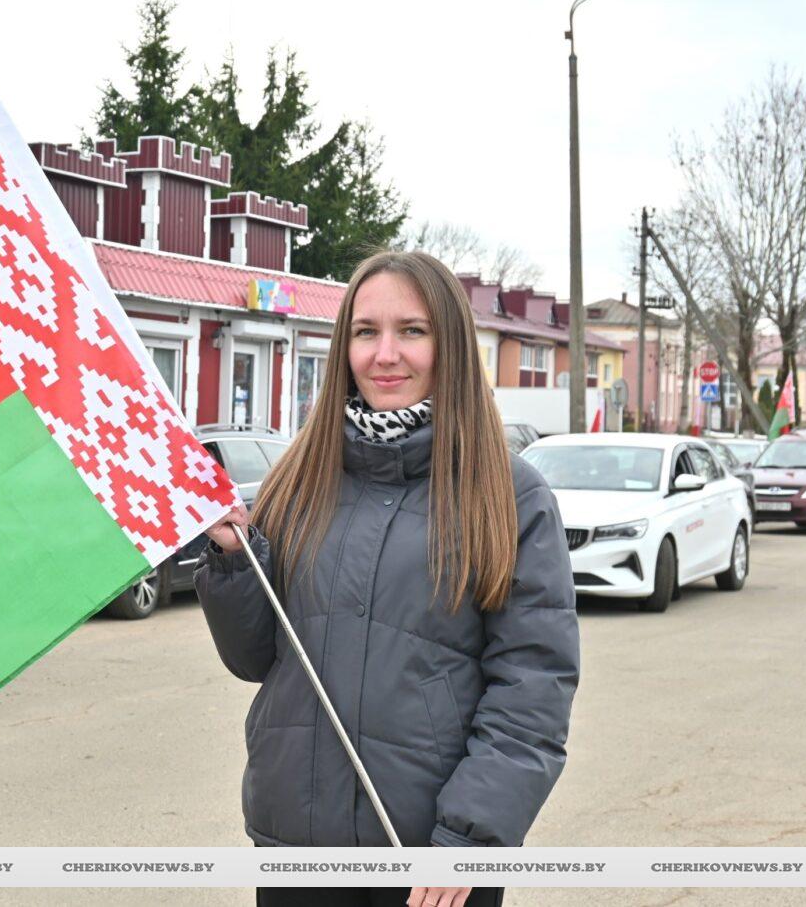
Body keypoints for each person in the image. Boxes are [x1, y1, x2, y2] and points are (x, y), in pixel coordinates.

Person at [194, 251, 580, 907]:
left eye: (413, 330)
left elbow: (533, 687)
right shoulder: (298, 479)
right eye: (366, 331)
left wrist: (470, 839)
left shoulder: (508, 494)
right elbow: (253, 658)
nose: (385, 354)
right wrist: (235, 560)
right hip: (298, 848)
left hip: (430, 859)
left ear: (450, 345)